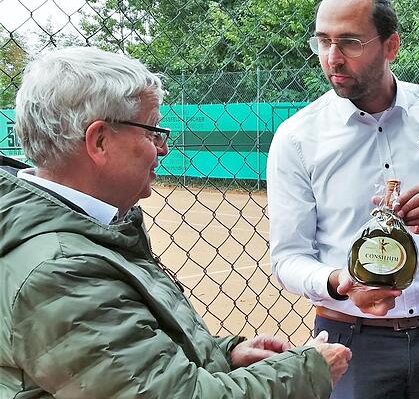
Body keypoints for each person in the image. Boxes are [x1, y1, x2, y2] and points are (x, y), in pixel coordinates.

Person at [0, 46, 351, 398]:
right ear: (100, 141)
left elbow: (134, 365)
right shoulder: (62, 271)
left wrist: (222, 356)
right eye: (152, 131)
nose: (163, 148)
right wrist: (308, 370)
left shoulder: (90, 232)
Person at [266, 0, 419, 399]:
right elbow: (288, 258)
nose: (332, 58)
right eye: (323, 41)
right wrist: (342, 281)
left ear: (391, 45)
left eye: (350, 42)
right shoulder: (297, 138)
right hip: (348, 340)